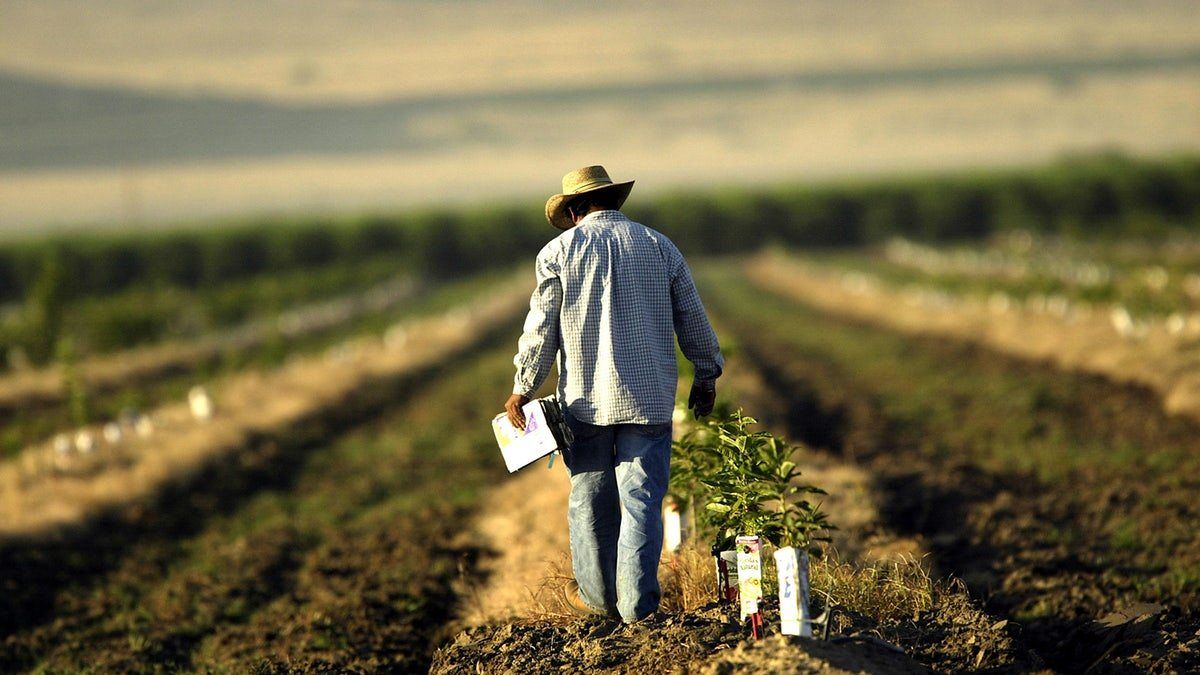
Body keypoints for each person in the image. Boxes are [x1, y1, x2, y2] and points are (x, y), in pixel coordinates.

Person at [505, 165, 724, 623]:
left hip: (583, 402)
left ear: (573, 210)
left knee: (589, 502)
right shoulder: (658, 245)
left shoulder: (557, 253)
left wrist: (523, 387)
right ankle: (637, 610)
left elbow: (541, 327)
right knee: (642, 502)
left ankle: (600, 603)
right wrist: (706, 374)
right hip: (648, 399)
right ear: (611, 202)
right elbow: (692, 316)